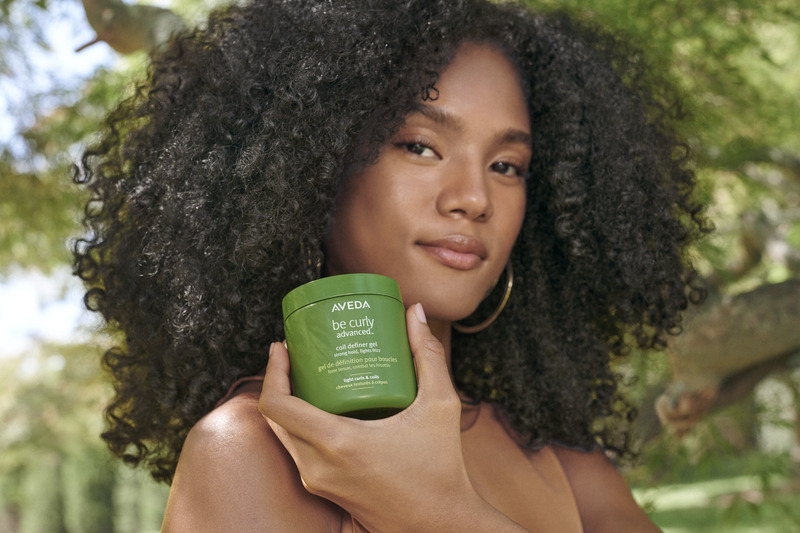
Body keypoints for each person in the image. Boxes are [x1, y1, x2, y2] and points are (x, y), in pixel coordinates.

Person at [73, 0, 708, 530]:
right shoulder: (248, 450)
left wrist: (434, 511)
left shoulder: (557, 455)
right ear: (312, 171)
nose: (474, 198)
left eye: (506, 165)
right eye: (420, 146)